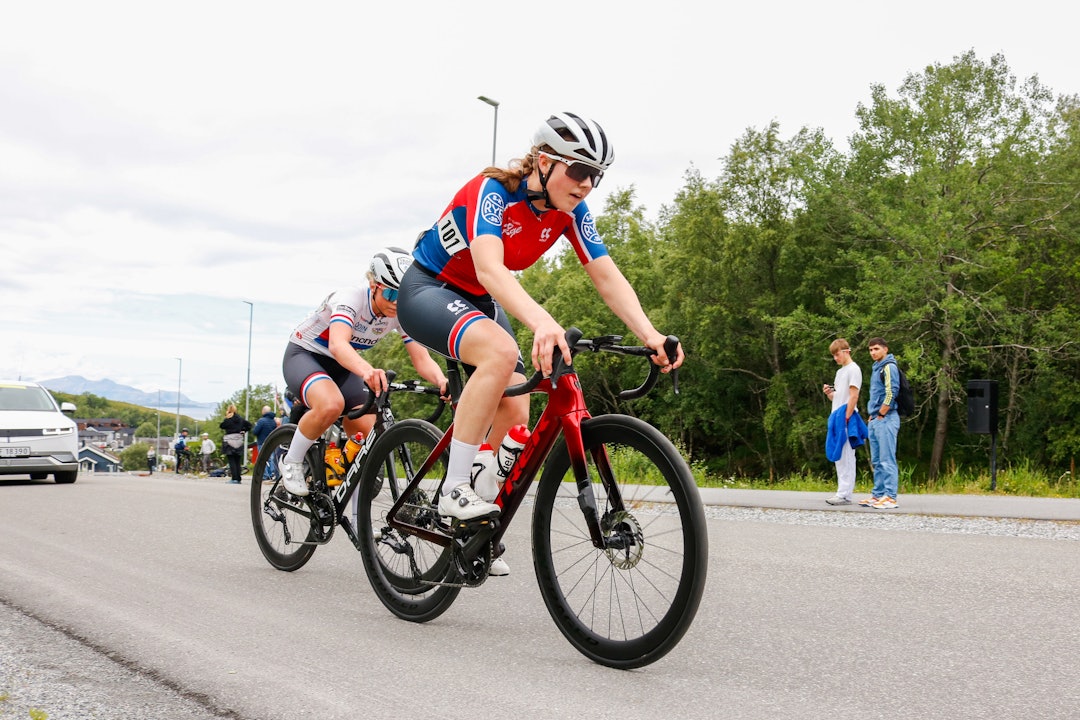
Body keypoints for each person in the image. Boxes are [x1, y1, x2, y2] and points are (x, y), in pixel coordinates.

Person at [396, 112, 684, 569]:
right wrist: (543, 322)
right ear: (545, 161)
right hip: (429, 288)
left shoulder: (570, 212)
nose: (587, 184)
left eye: (597, 175)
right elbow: (489, 268)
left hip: (479, 300)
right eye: (580, 170)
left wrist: (650, 334)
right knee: (501, 352)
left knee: (516, 405)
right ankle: (454, 487)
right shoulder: (493, 192)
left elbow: (606, 277)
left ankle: (473, 524)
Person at [277, 247, 449, 500]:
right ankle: (291, 461)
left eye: (402, 295)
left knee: (370, 441)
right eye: (390, 293)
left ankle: (358, 518)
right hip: (306, 355)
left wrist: (442, 380)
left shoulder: (400, 313)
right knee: (331, 404)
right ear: (373, 285)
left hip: (343, 366)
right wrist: (368, 371)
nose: (396, 302)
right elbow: (338, 345)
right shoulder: (351, 298)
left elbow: (421, 359)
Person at [822, 338, 863, 505]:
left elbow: (853, 396)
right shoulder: (840, 372)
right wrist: (829, 393)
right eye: (833, 355)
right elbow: (838, 397)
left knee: (847, 456)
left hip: (846, 416)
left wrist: (847, 417)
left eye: (837, 354)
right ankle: (842, 491)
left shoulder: (854, 369)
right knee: (839, 455)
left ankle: (845, 494)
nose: (835, 358)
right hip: (836, 415)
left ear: (846, 351)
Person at [862, 337, 901, 509]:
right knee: (877, 460)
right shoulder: (876, 368)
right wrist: (873, 415)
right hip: (875, 418)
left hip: (886, 418)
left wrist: (881, 413)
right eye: (871, 350)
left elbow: (892, 392)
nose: (873, 352)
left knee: (887, 459)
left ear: (885, 349)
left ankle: (890, 497)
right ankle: (878, 494)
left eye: (876, 349)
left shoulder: (889, 366)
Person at [219, 405, 252, 484]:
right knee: (237, 460)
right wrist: (243, 430)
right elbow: (249, 425)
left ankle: (234, 478)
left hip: (229, 440)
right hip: (238, 439)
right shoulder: (240, 419)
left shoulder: (228, 419)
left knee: (231, 460)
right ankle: (238, 478)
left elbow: (222, 426)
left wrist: (227, 417)